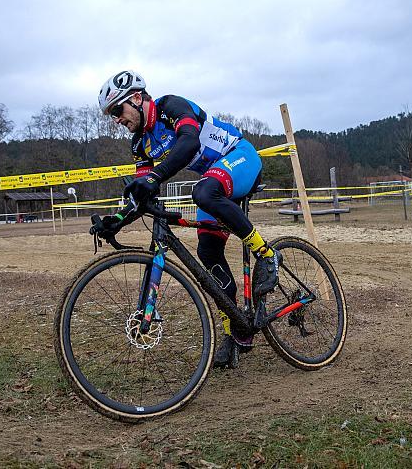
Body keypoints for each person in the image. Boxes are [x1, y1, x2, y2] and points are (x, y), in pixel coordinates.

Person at [98, 70, 282, 368]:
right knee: (207, 251)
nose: (117, 119)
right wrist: (117, 219)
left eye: (118, 110)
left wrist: (157, 176)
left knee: (203, 191)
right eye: (112, 115)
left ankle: (268, 255)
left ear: (135, 97)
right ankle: (234, 330)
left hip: (240, 157)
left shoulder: (171, 107)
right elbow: (142, 193)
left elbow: (189, 143)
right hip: (214, 180)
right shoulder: (139, 144)